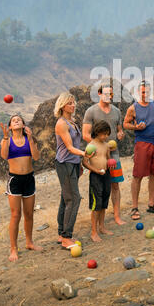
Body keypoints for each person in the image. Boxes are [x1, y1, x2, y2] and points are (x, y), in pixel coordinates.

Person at [82, 82, 126, 225]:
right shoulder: (91, 111)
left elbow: (119, 130)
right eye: (106, 93)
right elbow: (85, 134)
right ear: (99, 94)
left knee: (114, 186)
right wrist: (102, 146)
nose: (109, 96)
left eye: (111, 94)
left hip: (114, 155)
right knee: (99, 187)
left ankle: (117, 216)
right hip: (98, 156)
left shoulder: (117, 112)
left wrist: (120, 134)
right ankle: (99, 222)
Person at [0, 114, 42, 262]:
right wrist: (5, 138)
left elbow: (36, 157)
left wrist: (30, 139)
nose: (16, 120)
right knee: (16, 215)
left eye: (19, 119)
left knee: (29, 213)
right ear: (10, 127)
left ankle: (29, 242)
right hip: (15, 181)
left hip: (29, 179)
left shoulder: (29, 139)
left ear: (24, 125)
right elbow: (4, 155)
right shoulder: (7, 140)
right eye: (13, 120)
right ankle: (13, 248)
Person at [54, 92, 93, 249]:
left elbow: (75, 146)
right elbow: (70, 148)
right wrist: (84, 154)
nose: (73, 105)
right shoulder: (61, 123)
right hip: (64, 164)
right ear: (63, 105)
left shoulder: (73, 122)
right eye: (70, 103)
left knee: (66, 198)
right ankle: (66, 237)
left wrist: (80, 163)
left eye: (74, 102)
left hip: (73, 163)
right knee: (74, 199)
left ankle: (61, 233)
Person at [123, 80, 154, 220]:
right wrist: (136, 128)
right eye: (142, 92)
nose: (145, 94)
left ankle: (151, 204)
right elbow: (126, 124)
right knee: (138, 175)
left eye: (147, 91)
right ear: (138, 92)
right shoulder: (133, 108)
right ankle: (134, 207)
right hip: (142, 143)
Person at [82, 120, 114, 243]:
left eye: (107, 134)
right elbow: (84, 162)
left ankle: (102, 227)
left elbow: (108, 159)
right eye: (103, 134)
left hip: (106, 174)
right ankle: (93, 232)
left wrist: (110, 165)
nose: (105, 136)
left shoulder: (106, 145)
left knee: (104, 201)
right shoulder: (91, 145)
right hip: (95, 176)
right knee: (96, 203)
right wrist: (95, 170)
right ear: (97, 132)